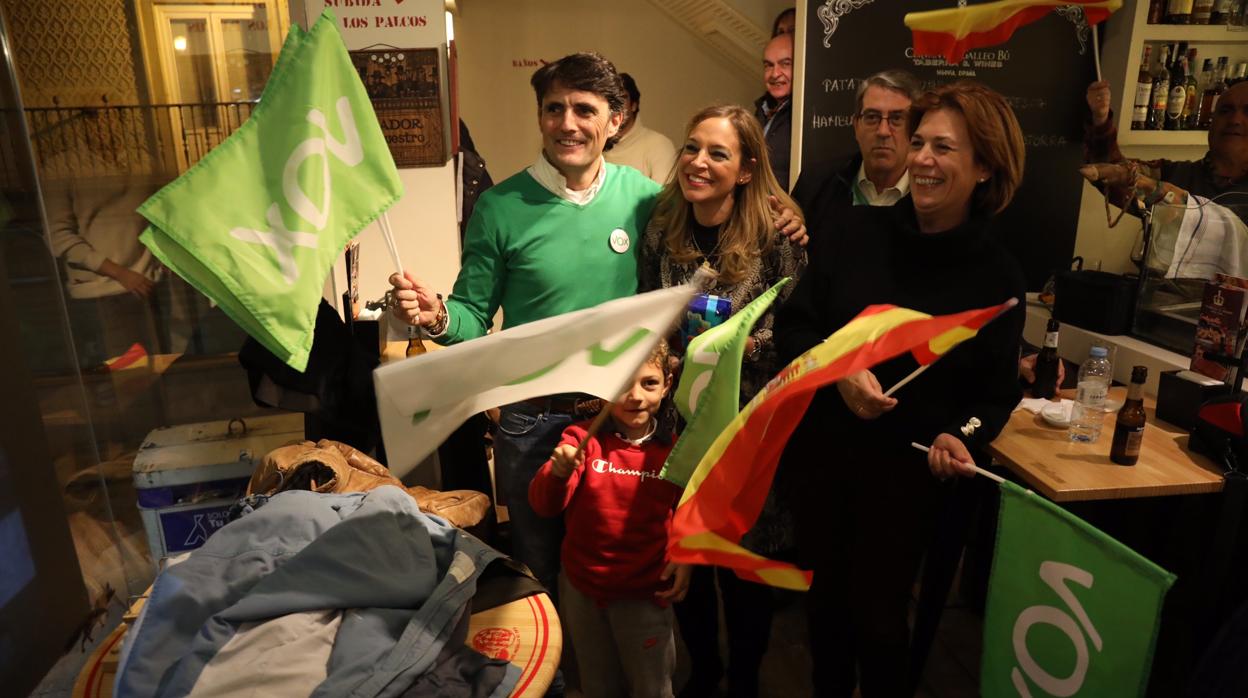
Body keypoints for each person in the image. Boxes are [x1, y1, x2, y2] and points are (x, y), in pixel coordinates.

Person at [389, 53, 808, 602]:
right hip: (531, 425)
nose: (568, 123)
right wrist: (437, 315)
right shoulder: (498, 207)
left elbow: (727, 201)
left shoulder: (647, 199)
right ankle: (559, 683)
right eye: (553, 108)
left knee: (625, 565)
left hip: (626, 422)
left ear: (615, 121)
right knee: (538, 570)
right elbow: (472, 315)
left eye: (584, 109)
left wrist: (785, 212)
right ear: (539, 117)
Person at [774, 81, 1027, 697]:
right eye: (919, 142)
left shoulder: (997, 276)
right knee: (827, 616)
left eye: (944, 147)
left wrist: (958, 434)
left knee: (883, 626)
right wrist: (837, 371)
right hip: (828, 463)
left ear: (986, 166)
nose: (921, 159)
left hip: (911, 482)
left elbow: (995, 395)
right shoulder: (854, 232)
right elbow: (795, 324)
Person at [639, 104, 805, 698]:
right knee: (687, 555)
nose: (699, 163)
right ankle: (703, 671)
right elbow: (646, 315)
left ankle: (744, 680)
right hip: (678, 424)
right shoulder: (662, 230)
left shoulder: (776, 237)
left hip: (747, 427)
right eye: (692, 148)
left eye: (718, 153)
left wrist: (731, 344)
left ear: (746, 169)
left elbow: (798, 332)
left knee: (742, 563)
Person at [528, 340, 690, 698]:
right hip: (583, 591)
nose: (634, 396)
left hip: (645, 594)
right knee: (597, 683)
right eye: (621, 384)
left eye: (649, 383)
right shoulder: (580, 440)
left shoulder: (676, 451)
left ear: (667, 384)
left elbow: (689, 514)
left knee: (652, 686)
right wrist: (557, 473)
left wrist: (686, 557)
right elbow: (544, 506)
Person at [1082, 78, 1248, 219]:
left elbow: (1223, 229)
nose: (1235, 119)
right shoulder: (1173, 174)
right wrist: (1101, 121)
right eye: (1226, 110)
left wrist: (1158, 190)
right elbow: (1111, 172)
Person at [605, 73, 678, 184]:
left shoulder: (659, 145)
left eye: (622, 98)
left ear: (633, 105)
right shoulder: (595, 143)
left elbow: (665, 198)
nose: (616, 105)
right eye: (611, 99)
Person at [756, 32, 794, 191]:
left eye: (785, 64)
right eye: (769, 65)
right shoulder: (760, 110)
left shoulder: (804, 116)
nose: (775, 74)